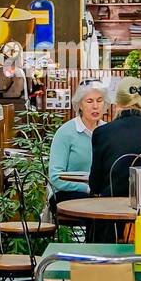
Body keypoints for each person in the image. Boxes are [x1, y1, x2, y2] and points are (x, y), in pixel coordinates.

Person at [47, 82, 105, 215]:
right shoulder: (65, 132)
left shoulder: (108, 132)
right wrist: (88, 189)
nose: (95, 106)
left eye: (99, 100)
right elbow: (56, 177)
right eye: (89, 101)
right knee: (98, 207)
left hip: (99, 196)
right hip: (67, 194)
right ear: (80, 105)